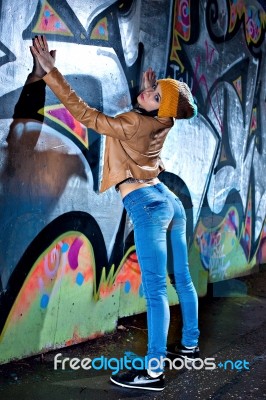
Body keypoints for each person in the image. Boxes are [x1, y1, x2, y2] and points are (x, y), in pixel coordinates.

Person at [30, 35, 200, 391]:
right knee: (181, 278)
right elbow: (156, 109)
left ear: (159, 109)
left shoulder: (136, 123)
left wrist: (51, 72)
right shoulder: (164, 122)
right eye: (154, 88)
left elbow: (86, 115)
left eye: (155, 95)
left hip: (148, 205)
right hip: (166, 198)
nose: (149, 91)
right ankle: (190, 344)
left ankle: (153, 373)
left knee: (155, 292)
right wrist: (149, 94)